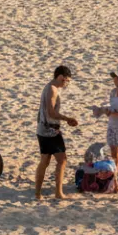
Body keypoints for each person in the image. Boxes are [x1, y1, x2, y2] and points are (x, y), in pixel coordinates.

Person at [35, 65, 78, 201]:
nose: (66, 84)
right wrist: (67, 119)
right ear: (60, 77)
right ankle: (58, 192)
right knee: (62, 160)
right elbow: (51, 112)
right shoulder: (52, 90)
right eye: (66, 81)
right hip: (50, 131)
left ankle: (38, 193)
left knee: (45, 161)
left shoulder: (48, 87)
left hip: (42, 129)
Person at [93, 71, 118, 184]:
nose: (116, 81)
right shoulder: (113, 92)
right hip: (112, 125)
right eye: (115, 79)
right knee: (114, 153)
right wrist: (106, 111)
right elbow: (109, 111)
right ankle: (117, 176)